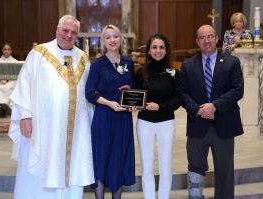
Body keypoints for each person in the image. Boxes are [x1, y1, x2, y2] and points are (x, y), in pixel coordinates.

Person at [8, 15, 94, 199]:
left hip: (75, 130)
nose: (69, 35)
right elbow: (24, 85)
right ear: (57, 29)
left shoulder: (83, 58)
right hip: (43, 127)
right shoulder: (39, 53)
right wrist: (24, 116)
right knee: (40, 167)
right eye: (65, 30)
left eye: (73, 32)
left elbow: (90, 92)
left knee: (71, 170)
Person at [179, 24, 244, 199]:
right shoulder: (188, 65)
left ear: (216, 39)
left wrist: (214, 106)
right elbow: (182, 93)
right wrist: (199, 110)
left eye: (210, 36)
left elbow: (238, 90)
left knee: (224, 171)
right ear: (197, 41)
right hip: (197, 125)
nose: (206, 40)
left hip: (224, 124)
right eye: (202, 37)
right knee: (195, 168)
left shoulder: (232, 62)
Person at [85, 24, 136, 199]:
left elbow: (134, 89)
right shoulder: (97, 64)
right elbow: (90, 93)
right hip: (104, 118)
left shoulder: (129, 63)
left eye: (115, 36)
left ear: (120, 39)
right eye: (108, 37)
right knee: (102, 158)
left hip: (123, 119)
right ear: (103, 41)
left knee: (119, 159)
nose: (112, 40)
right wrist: (110, 103)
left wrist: (131, 92)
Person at [134, 33, 180, 199]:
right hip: (144, 123)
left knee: (165, 165)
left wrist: (160, 107)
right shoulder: (140, 72)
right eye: (154, 47)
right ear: (149, 50)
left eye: (161, 47)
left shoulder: (173, 72)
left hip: (166, 122)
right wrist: (129, 98)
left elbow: (178, 99)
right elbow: (135, 96)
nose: (158, 50)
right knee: (147, 165)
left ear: (166, 50)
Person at [0, 43, 18, 116]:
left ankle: (5, 107)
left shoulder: (15, 62)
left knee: (9, 87)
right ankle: (1, 106)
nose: (7, 51)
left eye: (8, 49)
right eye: (5, 49)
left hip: (11, 82)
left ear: (11, 51)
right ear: (2, 50)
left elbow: (16, 75)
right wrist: (0, 80)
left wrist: (7, 81)